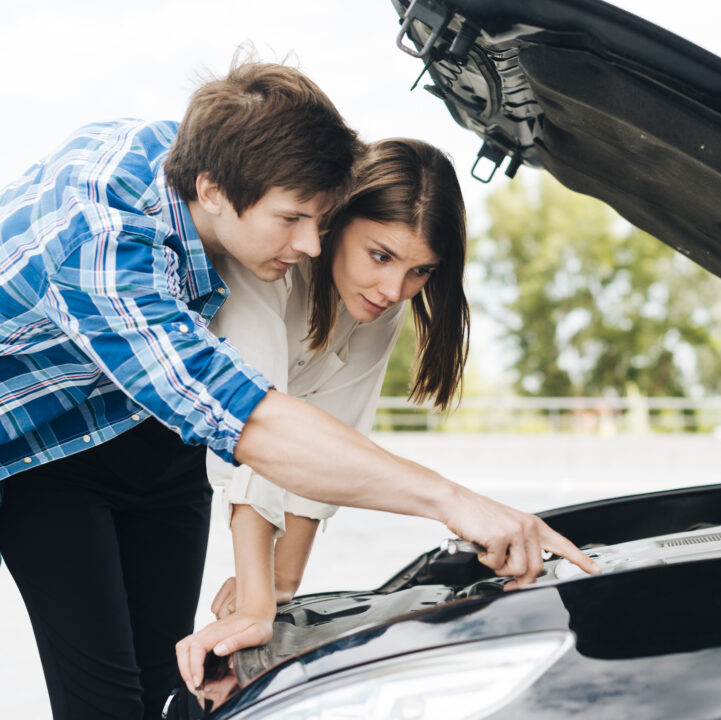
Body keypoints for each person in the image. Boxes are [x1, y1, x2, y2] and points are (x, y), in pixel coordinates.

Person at [0, 57, 598, 719]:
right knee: (106, 704)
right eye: (291, 220)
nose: (312, 244)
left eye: (320, 219)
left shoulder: (213, 154)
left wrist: (272, 602)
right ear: (213, 191)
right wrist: (453, 502)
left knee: (174, 691)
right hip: (41, 449)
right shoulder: (103, 248)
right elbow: (249, 421)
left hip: (149, 435)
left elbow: (305, 429)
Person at [179, 138, 472, 684]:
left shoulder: (380, 301)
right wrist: (255, 603)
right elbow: (258, 424)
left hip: (191, 471)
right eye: (380, 256)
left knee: (167, 676)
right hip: (160, 443)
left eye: (420, 272)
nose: (394, 289)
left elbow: (337, 433)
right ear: (337, 218)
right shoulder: (268, 263)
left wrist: (282, 582)